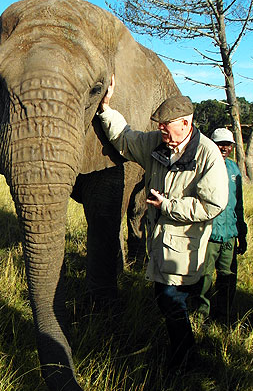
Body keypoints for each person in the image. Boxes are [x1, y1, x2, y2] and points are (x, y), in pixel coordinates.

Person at [97, 75, 228, 372]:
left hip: (183, 246)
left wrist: (169, 205)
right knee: (169, 299)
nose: (161, 131)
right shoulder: (158, 143)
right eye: (159, 125)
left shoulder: (207, 155)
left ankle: (184, 359)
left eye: (166, 126)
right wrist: (106, 109)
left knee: (170, 299)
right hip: (159, 243)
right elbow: (127, 140)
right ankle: (185, 351)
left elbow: (213, 204)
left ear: (186, 122)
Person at [197, 128, 247, 324]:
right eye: (220, 144)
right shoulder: (202, 165)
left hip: (230, 234)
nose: (224, 147)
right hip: (210, 233)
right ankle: (201, 315)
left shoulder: (234, 170)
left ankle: (224, 316)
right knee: (205, 277)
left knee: (228, 277)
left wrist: (241, 233)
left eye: (228, 144)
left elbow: (239, 204)